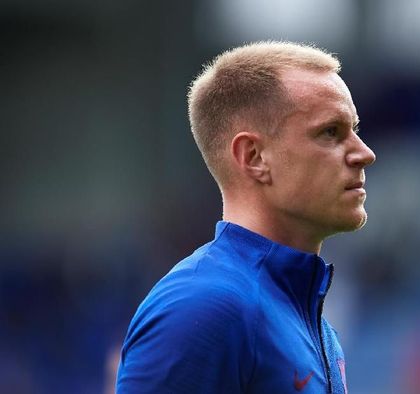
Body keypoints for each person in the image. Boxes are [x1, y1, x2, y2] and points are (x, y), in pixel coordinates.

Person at [116, 41, 376, 393]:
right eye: (330, 132)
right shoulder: (202, 308)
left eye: (354, 131)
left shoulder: (306, 320)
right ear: (254, 157)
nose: (365, 153)